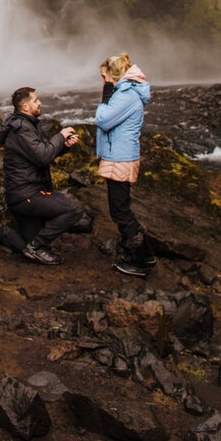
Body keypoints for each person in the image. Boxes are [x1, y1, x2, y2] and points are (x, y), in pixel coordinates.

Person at [0, 86, 85, 265]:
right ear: (25, 107)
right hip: (27, 195)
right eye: (36, 100)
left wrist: (63, 147)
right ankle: (37, 247)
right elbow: (43, 156)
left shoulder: (26, 125)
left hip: (23, 195)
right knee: (74, 209)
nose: (39, 103)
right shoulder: (21, 129)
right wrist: (60, 136)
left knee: (25, 244)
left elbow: (40, 153)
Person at [95, 53, 156, 277]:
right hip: (119, 155)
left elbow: (103, 120)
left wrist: (105, 98)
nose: (103, 82)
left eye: (104, 77)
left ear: (113, 75)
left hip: (120, 158)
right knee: (122, 209)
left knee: (120, 212)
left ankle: (138, 261)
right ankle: (146, 255)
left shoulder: (125, 95)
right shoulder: (127, 93)